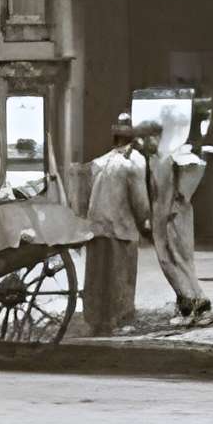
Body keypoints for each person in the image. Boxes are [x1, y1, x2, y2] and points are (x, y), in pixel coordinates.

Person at [138, 116, 213, 326]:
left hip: (171, 215)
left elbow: (172, 191)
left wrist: (169, 212)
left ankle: (194, 305)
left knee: (177, 260)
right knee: (173, 261)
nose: (145, 143)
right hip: (166, 214)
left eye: (148, 138)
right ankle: (191, 304)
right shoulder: (160, 158)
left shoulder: (167, 158)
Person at [83, 114, 151, 335]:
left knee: (97, 277)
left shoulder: (98, 163)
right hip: (121, 227)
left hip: (96, 226)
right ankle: (122, 321)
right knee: (122, 276)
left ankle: (96, 322)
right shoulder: (135, 163)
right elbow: (139, 200)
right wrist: (146, 222)